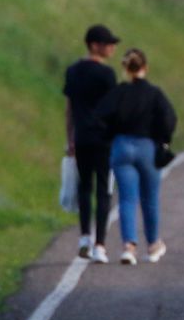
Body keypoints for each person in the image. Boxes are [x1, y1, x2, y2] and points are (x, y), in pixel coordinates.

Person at [93, 48, 177, 265]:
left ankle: (128, 247)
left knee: (127, 199)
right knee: (150, 199)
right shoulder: (154, 93)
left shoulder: (119, 92)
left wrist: (110, 135)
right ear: (145, 68)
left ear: (125, 68)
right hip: (147, 147)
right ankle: (152, 246)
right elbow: (169, 118)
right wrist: (163, 139)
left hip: (121, 146)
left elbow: (100, 116)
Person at [63, 24, 119, 264]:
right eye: (108, 44)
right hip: (104, 139)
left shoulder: (73, 71)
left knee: (84, 187)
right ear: (94, 45)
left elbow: (69, 109)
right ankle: (100, 245)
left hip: (82, 137)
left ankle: (84, 237)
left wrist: (70, 139)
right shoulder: (107, 75)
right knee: (103, 191)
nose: (112, 48)